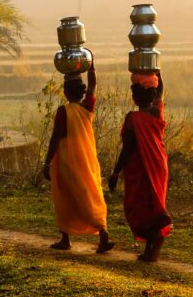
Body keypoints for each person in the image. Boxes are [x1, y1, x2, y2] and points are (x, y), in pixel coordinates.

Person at [42, 57, 114, 253]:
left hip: (65, 161)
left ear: (65, 92)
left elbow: (55, 138)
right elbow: (93, 86)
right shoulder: (87, 108)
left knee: (65, 197)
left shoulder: (63, 111)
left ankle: (66, 238)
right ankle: (102, 234)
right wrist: (91, 66)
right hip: (86, 159)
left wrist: (47, 163)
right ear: (80, 91)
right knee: (89, 193)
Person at [109, 70, 172, 262]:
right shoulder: (156, 112)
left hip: (142, 167)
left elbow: (128, 148)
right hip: (158, 164)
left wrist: (116, 171)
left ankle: (154, 244)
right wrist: (157, 71)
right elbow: (160, 91)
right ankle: (150, 250)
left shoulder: (133, 119)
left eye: (135, 94)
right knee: (153, 202)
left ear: (137, 97)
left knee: (140, 206)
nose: (134, 97)